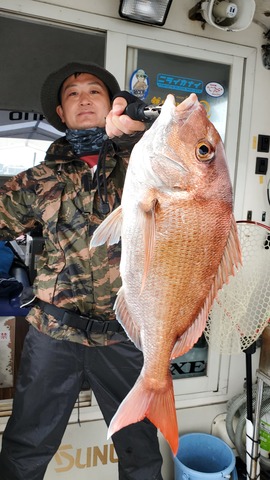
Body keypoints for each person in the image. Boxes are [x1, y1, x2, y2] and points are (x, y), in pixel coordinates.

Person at [0, 62, 163, 480]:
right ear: (61, 112)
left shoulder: (147, 165)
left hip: (125, 335)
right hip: (52, 334)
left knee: (141, 452)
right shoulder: (39, 179)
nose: (84, 98)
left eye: (95, 91)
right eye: (72, 94)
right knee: (25, 448)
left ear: (114, 105)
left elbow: (195, 161)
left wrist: (141, 129)